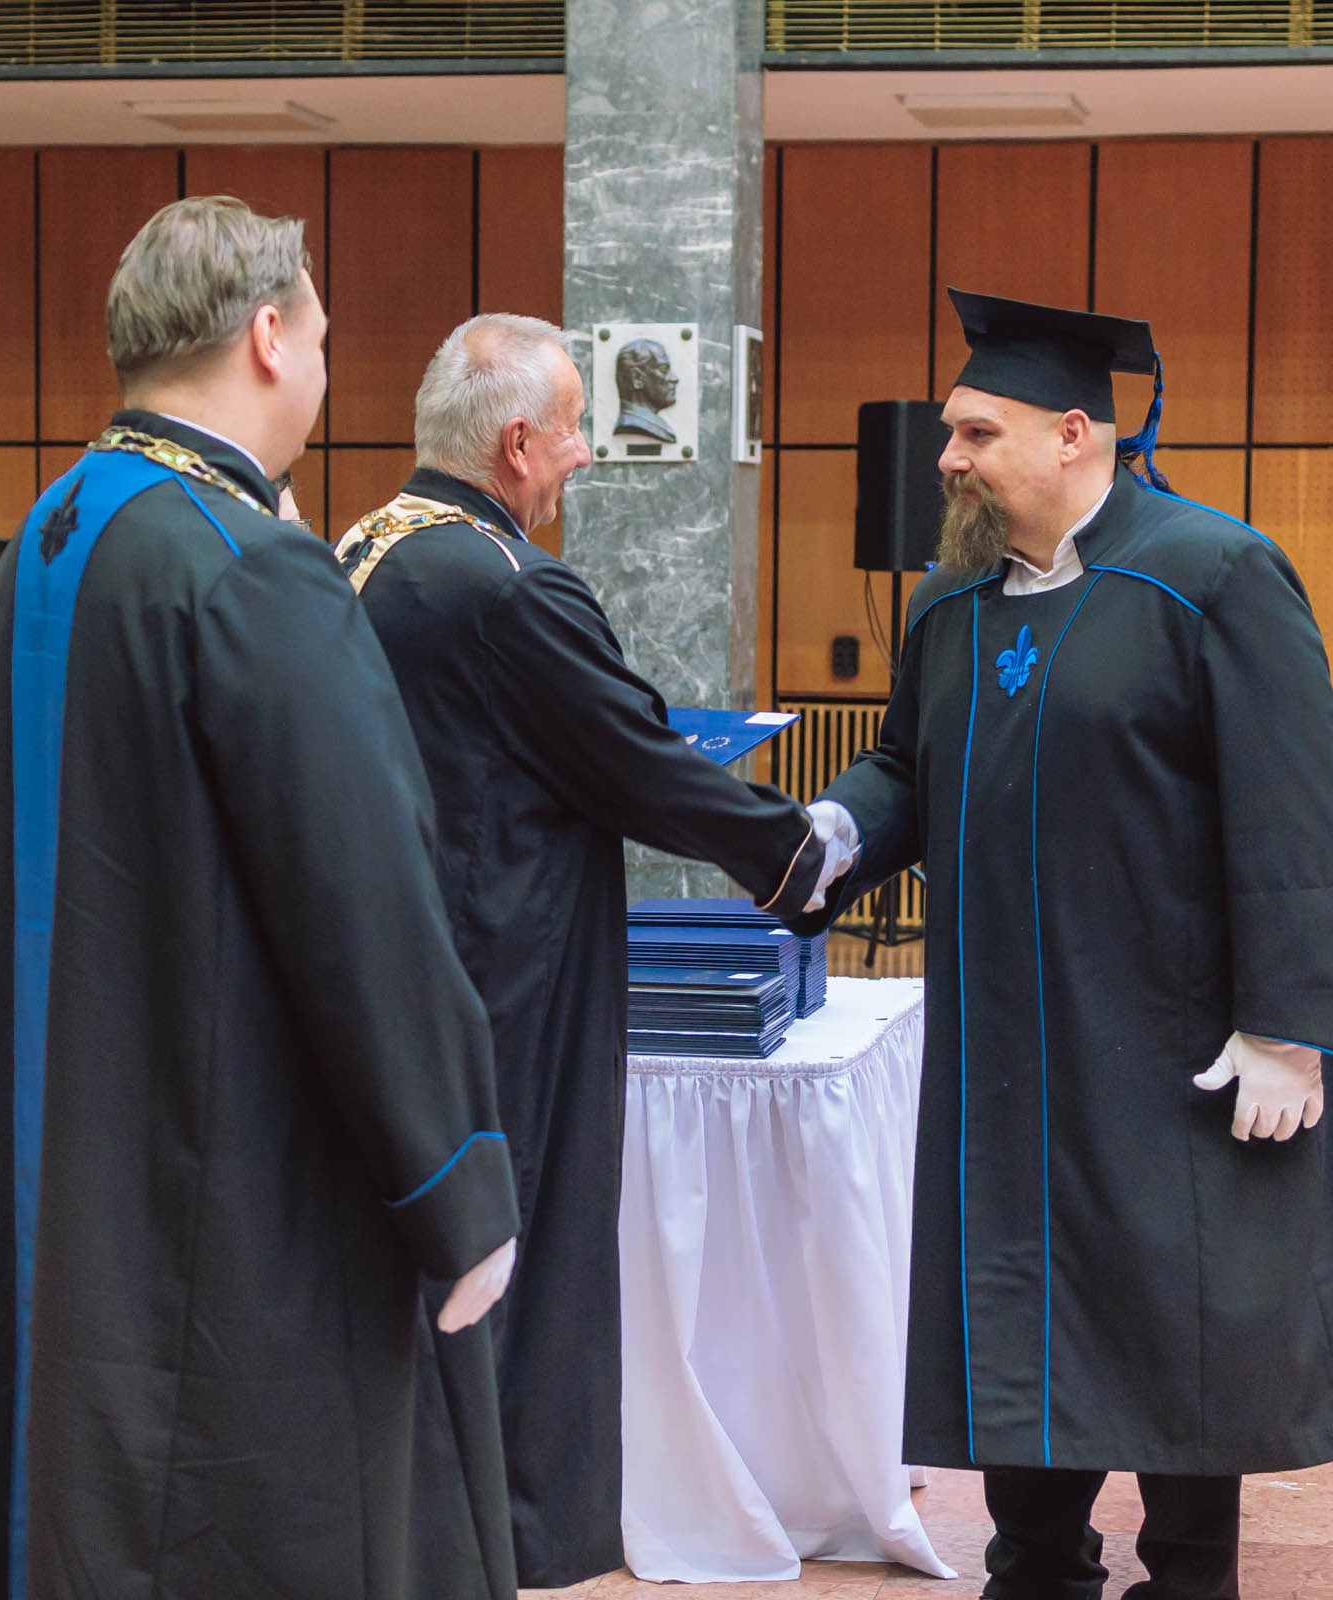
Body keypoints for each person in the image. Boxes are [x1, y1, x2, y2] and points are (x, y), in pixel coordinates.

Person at [0, 197, 522, 1600]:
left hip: (73, 1153)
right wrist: (455, 1181)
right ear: (267, 336)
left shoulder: (49, 534)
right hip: (237, 1175)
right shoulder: (247, 565)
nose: (322, 367)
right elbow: (367, 905)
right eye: (321, 337)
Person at [790, 289, 1333, 1600]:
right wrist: (838, 826)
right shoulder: (950, 599)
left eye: (975, 433)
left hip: (1172, 1039)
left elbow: (1297, 811)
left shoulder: (1213, 575)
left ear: (1074, 434)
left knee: (1184, 1314)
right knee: (1019, 1301)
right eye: (952, 433)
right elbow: (907, 765)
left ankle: (1189, 1574)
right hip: (1009, 1046)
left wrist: (1289, 1026)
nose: (947, 458)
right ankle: (1035, 1566)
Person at [336, 312, 845, 1588]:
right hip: (511, 974)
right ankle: (520, 1531)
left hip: (388, 963)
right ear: (517, 442)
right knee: (525, 1249)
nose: (579, 457)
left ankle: (405, 1520)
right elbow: (636, 760)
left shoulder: (360, 551)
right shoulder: (509, 587)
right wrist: (798, 858)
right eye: (570, 433)